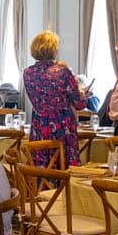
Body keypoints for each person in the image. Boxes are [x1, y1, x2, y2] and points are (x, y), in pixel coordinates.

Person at [22, 30, 88, 170]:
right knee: (63, 164)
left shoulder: (27, 73)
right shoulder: (62, 71)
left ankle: (42, 189)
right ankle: (63, 191)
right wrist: (83, 94)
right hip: (61, 126)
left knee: (43, 165)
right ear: (53, 48)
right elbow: (79, 103)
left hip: (39, 124)